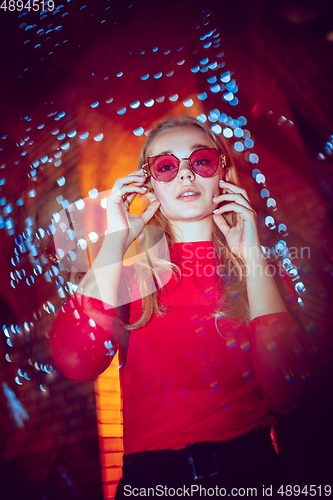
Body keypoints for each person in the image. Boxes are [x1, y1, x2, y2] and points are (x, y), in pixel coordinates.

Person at [51, 116, 319, 498]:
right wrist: (116, 240)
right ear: (149, 184)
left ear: (221, 171)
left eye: (201, 161)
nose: (186, 176)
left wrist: (252, 257)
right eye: (166, 166)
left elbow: (291, 393)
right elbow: (75, 361)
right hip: (151, 482)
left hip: (251, 473)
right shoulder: (125, 280)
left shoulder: (264, 271)